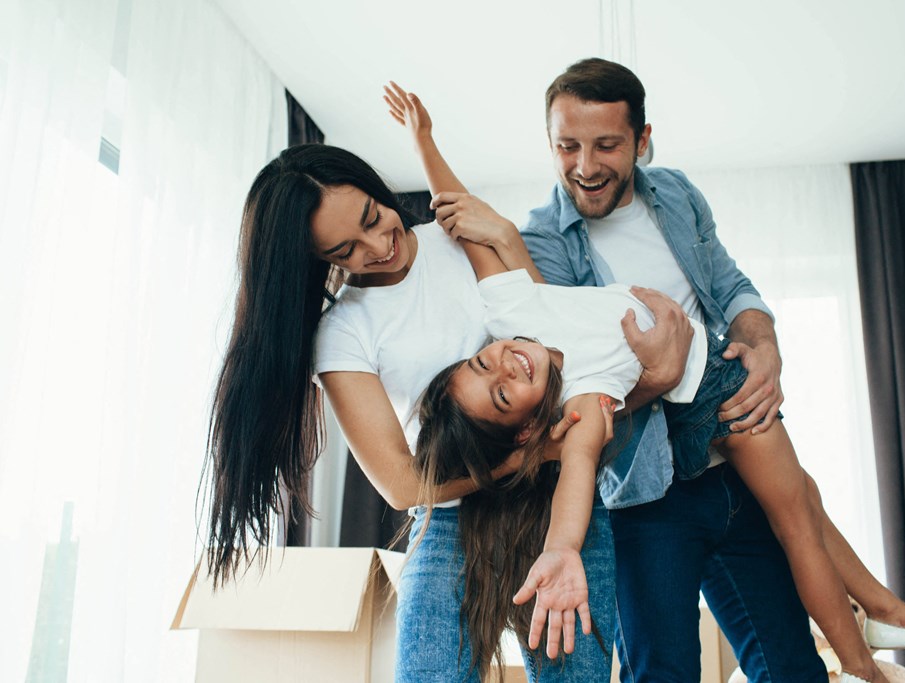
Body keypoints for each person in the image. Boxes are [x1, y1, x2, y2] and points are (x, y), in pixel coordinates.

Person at [389, 60, 905, 682]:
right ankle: (875, 655)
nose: (584, 165)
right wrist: (564, 544)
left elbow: (468, 217)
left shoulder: (652, 208)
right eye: (568, 147)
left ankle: (875, 638)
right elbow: (580, 458)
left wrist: (425, 142)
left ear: (642, 141)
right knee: (677, 653)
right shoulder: (552, 274)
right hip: (653, 483)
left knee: (800, 520)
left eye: (606, 144)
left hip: (727, 429)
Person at [201, 142, 639, 683]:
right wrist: (525, 456)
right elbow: (403, 485)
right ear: (318, 262)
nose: (378, 246)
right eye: (344, 251)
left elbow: (559, 335)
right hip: (451, 516)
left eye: (372, 217)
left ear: (375, 186)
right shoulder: (344, 332)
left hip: (555, 507)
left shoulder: (461, 236)